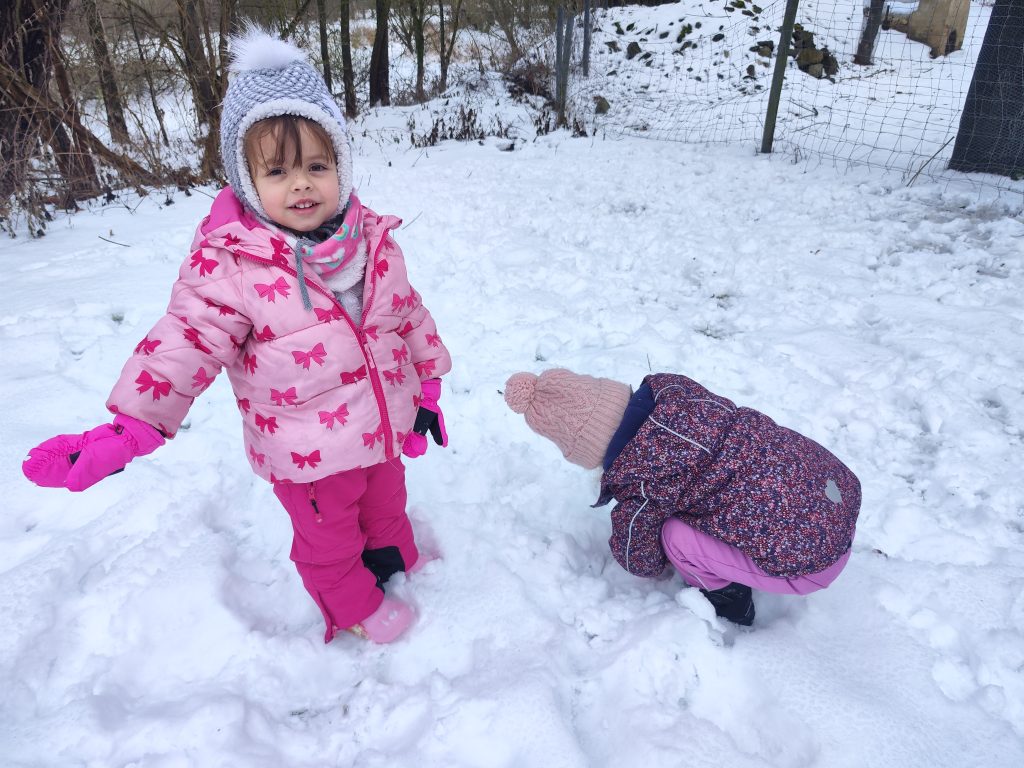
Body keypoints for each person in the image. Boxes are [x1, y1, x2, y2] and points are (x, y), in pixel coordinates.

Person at [21, 28, 451, 645]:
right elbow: (185, 340)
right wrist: (133, 426)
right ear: (246, 181)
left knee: (385, 501)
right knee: (328, 535)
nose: (301, 184)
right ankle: (352, 606)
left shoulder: (371, 241)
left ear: (342, 166)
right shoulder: (232, 265)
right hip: (307, 453)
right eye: (277, 171)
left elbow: (408, 316)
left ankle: (391, 558)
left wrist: (426, 387)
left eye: (317, 166)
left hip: (382, 428)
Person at [502, 369, 860, 626]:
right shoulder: (682, 397)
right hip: (834, 492)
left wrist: (654, 555)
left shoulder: (642, 479)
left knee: (675, 537)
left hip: (814, 562)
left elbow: (638, 556)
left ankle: (728, 599)